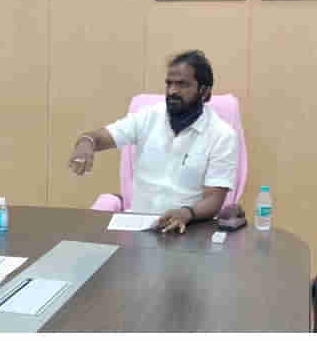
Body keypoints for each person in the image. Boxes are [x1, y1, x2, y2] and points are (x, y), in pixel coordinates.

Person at [68, 50, 238, 233]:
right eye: (169, 83)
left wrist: (186, 213)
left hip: (187, 229)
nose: (172, 91)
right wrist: (86, 143)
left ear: (204, 91)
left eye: (182, 85)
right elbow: (99, 137)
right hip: (138, 227)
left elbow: (214, 199)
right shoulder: (148, 117)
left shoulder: (222, 135)